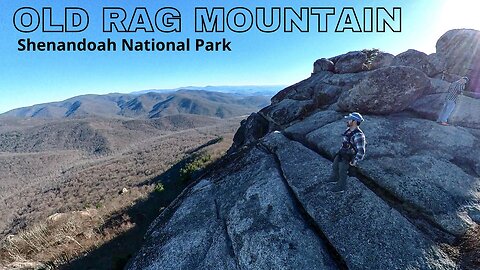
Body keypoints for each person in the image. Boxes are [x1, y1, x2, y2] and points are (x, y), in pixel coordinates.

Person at [328, 112, 366, 192]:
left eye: (349, 119)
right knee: (335, 164)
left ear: (354, 121)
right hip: (343, 152)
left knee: (342, 169)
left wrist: (355, 160)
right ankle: (335, 177)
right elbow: (345, 143)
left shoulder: (359, 135)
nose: (347, 121)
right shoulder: (348, 131)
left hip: (350, 156)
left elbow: (361, 150)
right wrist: (340, 150)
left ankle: (341, 186)